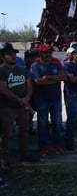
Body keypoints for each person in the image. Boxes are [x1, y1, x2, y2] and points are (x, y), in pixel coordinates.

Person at [0, 43, 39, 171]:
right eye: (10, 55)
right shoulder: (2, 70)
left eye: (14, 54)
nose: (13, 56)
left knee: (24, 131)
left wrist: (27, 98)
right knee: (7, 134)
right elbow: (3, 89)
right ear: (3, 57)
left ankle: (25, 154)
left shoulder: (22, 69)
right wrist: (19, 100)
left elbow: (29, 85)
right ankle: (5, 159)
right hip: (7, 107)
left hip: (23, 107)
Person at [30, 44, 66, 156]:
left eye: (50, 52)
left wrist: (49, 78)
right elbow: (38, 81)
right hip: (42, 100)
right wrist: (55, 80)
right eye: (46, 53)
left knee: (57, 123)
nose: (48, 55)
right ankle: (43, 147)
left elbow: (63, 77)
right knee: (42, 124)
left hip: (56, 99)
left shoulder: (55, 64)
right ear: (40, 54)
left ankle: (57, 146)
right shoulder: (35, 66)